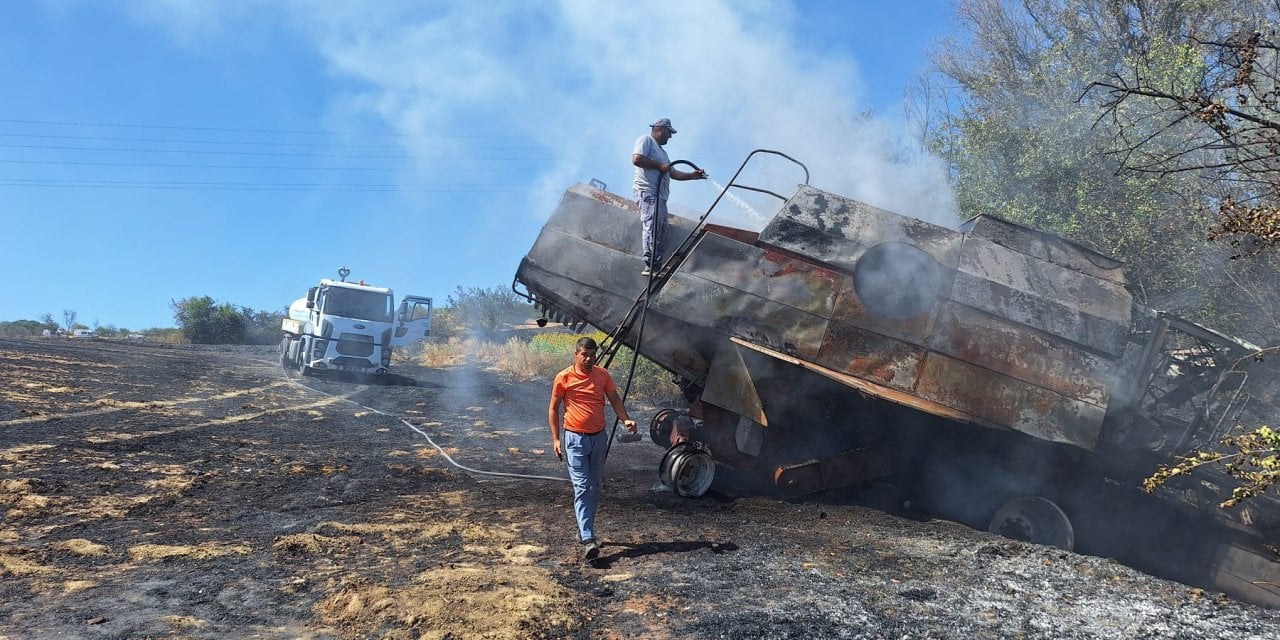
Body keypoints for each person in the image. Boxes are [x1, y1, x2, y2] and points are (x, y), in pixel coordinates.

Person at [548, 336, 638, 561]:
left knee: (595, 485)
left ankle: (584, 528)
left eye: (592, 355)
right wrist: (556, 440)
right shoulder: (564, 377)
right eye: (584, 355)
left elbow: (615, 400)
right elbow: (553, 409)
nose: (588, 359)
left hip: (599, 438)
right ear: (576, 354)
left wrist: (626, 419)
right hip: (574, 439)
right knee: (582, 486)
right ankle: (588, 538)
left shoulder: (602, 375)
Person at [632, 118, 707, 276]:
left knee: (662, 231)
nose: (670, 137)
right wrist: (659, 166)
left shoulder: (663, 153)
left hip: (660, 197)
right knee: (652, 226)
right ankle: (650, 265)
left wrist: (693, 176)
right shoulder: (646, 140)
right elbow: (637, 159)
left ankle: (656, 265)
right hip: (649, 192)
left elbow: (673, 174)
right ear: (660, 129)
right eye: (669, 132)